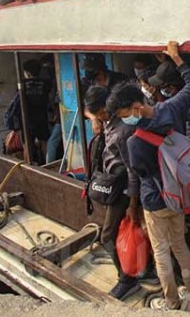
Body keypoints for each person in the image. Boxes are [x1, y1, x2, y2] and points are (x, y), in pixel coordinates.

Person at [106, 41, 190, 311]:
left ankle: (171, 301)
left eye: (125, 115)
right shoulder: (171, 108)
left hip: (154, 201)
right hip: (179, 194)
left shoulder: (135, 142)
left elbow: (138, 175)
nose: (125, 120)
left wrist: (133, 205)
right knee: (180, 245)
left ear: (136, 107)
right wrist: (177, 59)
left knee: (161, 252)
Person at [83, 85, 142, 300]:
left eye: (100, 113)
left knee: (108, 234)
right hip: (114, 183)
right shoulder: (107, 120)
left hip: (124, 188)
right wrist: (93, 118)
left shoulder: (123, 131)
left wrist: (132, 204)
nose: (100, 116)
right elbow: (87, 109)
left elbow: (132, 170)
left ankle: (127, 279)